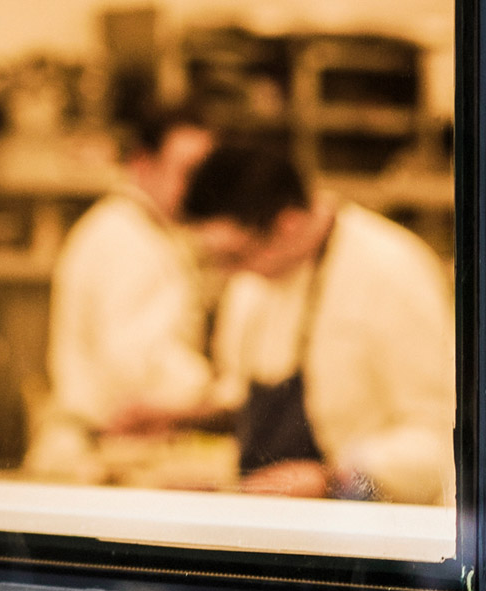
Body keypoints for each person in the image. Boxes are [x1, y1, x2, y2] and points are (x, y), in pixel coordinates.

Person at [184, 137, 456, 504]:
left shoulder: (391, 272)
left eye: (234, 256)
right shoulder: (251, 283)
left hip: (367, 536)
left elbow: (440, 443)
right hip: (265, 521)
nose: (228, 273)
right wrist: (177, 419)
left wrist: (333, 479)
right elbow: (240, 399)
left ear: (289, 225)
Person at [26, 86, 216, 475]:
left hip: (108, 448)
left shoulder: (142, 230)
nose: (202, 188)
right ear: (142, 163)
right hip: (99, 454)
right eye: (189, 172)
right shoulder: (127, 242)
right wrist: (214, 395)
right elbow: (136, 362)